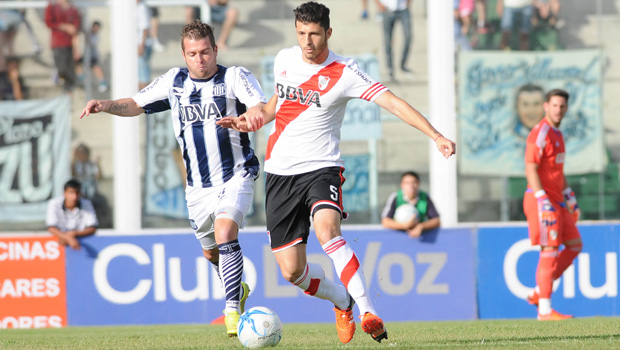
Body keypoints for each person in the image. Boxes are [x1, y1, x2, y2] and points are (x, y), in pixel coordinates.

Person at [218, 1, 455, 344]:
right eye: (301, 33)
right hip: (280, 174)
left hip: (321, 168)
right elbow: (277, 104)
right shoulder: (285, 59)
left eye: (314, 34)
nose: (307, 41)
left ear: (329, 32)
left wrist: (435, 135)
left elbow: (393, 102)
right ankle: (341, 300)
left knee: (328, 230)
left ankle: (367, 310)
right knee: (292, 271)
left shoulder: (346, 72)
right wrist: (250, 118)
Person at [79, 19, 266, 337]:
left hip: (236, 174)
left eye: (205, 52)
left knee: (225, 230)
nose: (200, 59)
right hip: (197, 188)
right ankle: (239, 289)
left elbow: (260, 106)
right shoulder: (174, 82)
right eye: (193, 53)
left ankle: (232, 309)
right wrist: (105, 105)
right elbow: (136, 104)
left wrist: (249, 118)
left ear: (215, 50)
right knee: (210, 252)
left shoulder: (235, 77)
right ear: (183, 54)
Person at [523, 88, 581, 321]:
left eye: (562, 106)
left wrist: (569, 195)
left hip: (558, 199)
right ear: (546, 106)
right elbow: (530, 167)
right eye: (554, 105)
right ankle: (544, 310)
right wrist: (542, 198)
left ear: (566, 108)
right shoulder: (541, 132)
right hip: (542, 200)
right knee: (549, 250)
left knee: (575, 245)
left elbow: (558, 171)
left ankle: (539, 291)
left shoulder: (558, 134)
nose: (558, 110)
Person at [381, 171, 440, 238]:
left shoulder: (425, 198)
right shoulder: (395, 197)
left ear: (418, 184)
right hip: (398, 237)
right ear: (402, 185)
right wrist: (405, 226)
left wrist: (421, 226)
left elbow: (436, 221)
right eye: (407, 183)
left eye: (414, 182)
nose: (411, 186)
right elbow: (385, 222)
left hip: (420, 237)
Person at [46, 179, 98, 251]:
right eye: (71, 193)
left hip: (73, 243)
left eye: (77, 193)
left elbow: (92, 227)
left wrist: (72, 235)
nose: (74, 197)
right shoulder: (54, 203)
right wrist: (68, 238)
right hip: (57, 246)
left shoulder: (87, 204)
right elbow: (51, 227)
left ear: (80, 193)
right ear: (64, 193)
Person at [45, 0, 81, 93]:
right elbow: (49, 23)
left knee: (69, 73)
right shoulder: (52, 7)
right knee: (62, 68)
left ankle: (68, 94)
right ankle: (59, 77)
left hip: (69, 45)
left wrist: (77, 49)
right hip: (58, 44)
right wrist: (65, 27)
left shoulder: (73, 9)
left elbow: (75, 30)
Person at [374, 0, 412, 81]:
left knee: (408, 37)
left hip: (403, 8)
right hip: (388, 9)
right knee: (388, 41)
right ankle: (390, 69)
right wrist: (379, 4)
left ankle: (403, 64)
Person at [75, 21, 108, 93]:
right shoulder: (87, 33)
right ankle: (81, 77)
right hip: (85, 54)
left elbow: (91, 42)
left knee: (96, 67)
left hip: (92, 55)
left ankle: (103, 81)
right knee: (77, 63)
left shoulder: (96, 36)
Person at [137, 0, 153, 90]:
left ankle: (146, 103)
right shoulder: (135, 8)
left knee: (143, 78)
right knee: (139, 77)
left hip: (142, 46)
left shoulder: (142, 8)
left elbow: (145, 28)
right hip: (138, 46)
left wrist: (141, 46)